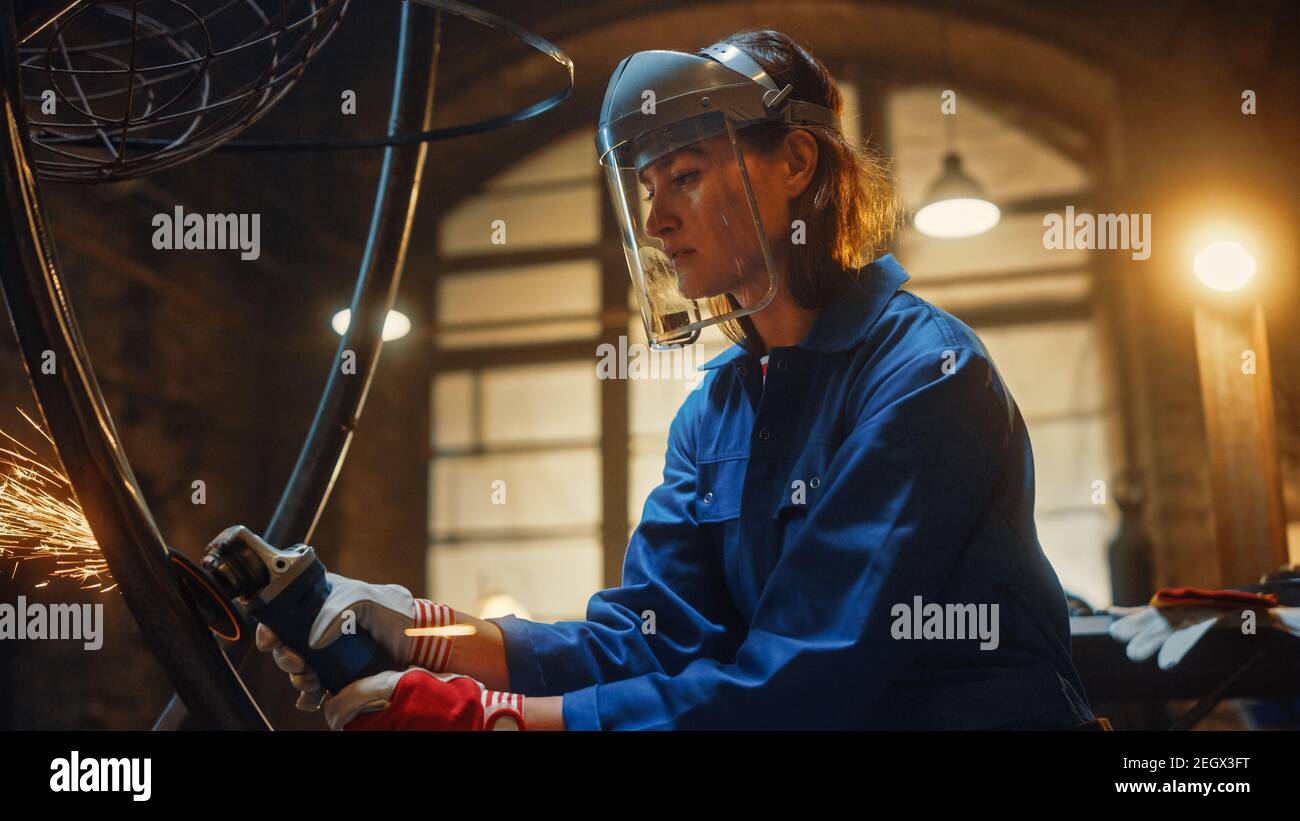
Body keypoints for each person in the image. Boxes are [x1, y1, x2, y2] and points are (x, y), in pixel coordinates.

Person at [256, 28, 1095, 731]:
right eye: (648, 187)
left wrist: (495, 719)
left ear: (796, 162)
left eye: (685, 176)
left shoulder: (927, 376)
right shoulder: (720, 407)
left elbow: (803, 681)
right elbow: (647, 640)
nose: (656, 222)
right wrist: (423, 632)